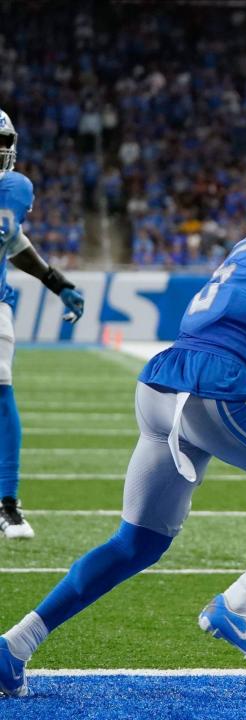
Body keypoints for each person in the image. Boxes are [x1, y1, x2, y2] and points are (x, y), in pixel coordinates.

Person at [0, 152, 246, 697]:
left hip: (165, 386)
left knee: (134, 544)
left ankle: (13, 647)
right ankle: (242, 602)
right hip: (216, 391)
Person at [0, 109, 85, 540]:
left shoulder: (13, 187)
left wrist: (56, 282)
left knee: (0, 393)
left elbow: (9, 238)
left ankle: (6, 503)